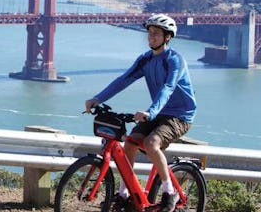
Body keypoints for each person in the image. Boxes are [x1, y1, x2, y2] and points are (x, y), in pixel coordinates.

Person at [83, 13, 196, 212]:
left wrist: (150, 112)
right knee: (130, 143)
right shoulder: (145, 60)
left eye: (156, 33)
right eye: (150, 32)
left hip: (180, 114)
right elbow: (123, 80)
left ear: (167, 37)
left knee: (151, 143)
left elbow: (168, 88)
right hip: (159, 112)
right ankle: (125, 194)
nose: (151, 36)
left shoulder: (175, 60)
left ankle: (170, 193)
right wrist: (97, 98)